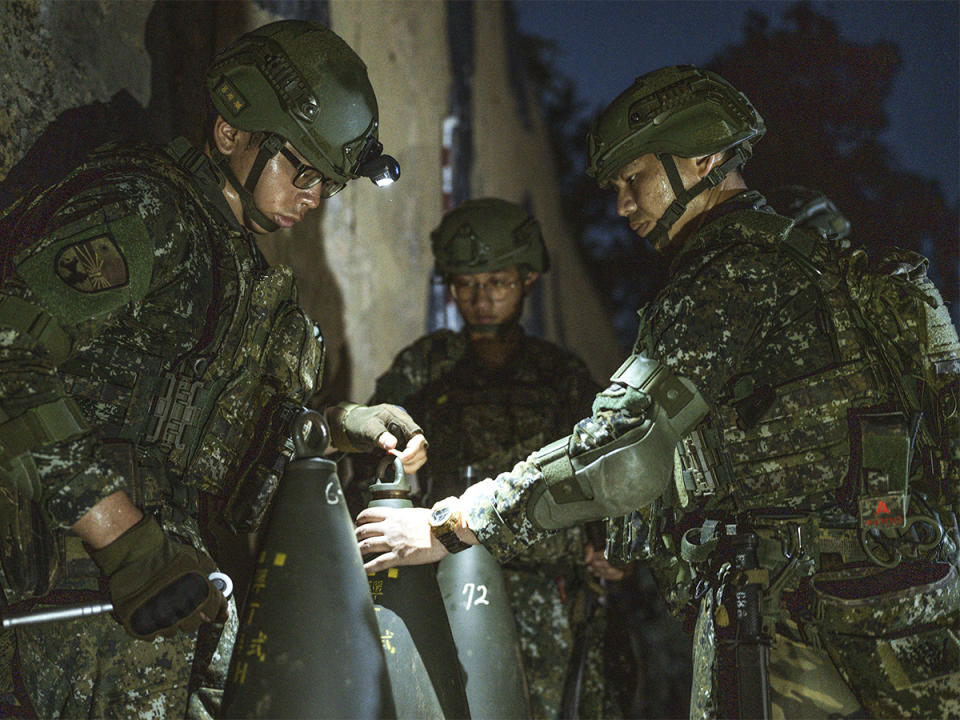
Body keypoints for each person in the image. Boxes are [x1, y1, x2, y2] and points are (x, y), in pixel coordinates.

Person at [356, 65, 960, 719]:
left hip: (795, 615)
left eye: (633, 179)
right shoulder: (813, 263)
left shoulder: (727, 272)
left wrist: (455, 523)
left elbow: (624, 451)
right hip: (912, 590)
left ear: (701, 159)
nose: (623, 206)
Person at [0, 20, 426, 719]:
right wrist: (122, 538)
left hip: (179, 598)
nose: (315, 198)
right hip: (81, 595)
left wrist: (342, 426)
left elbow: (221, 429)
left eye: (330, 183)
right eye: (303, 170)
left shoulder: (236, 261)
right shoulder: (149, 209)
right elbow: (10, 350)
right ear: (231, 131)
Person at [361, 197, 622, 719]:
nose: (480, 299)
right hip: (445, 569)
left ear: (527, 279)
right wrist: (396, 445)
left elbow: (607, 463)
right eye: (465, 284)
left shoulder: (560, 375)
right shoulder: (428, 365)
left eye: (497, 282)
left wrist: (611, 546)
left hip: (547, 590)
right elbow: (376, 436)